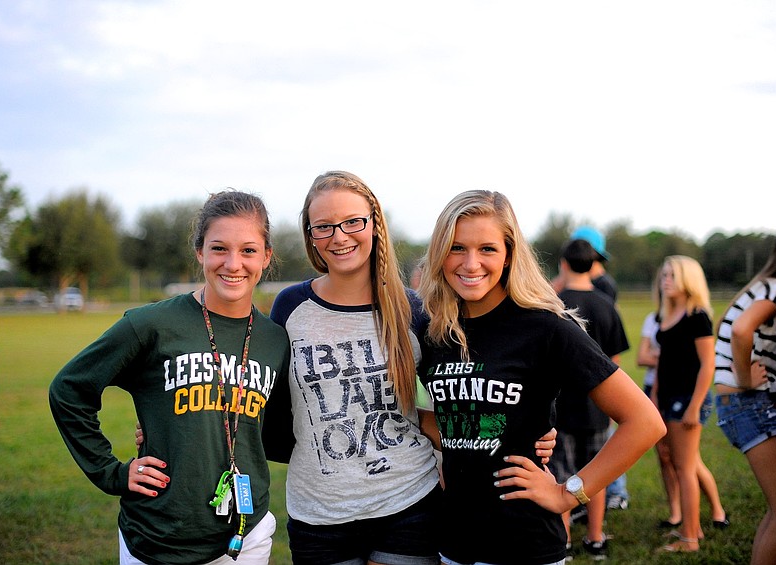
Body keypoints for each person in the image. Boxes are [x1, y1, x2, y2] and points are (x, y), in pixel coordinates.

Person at [262, 172, 556, 565]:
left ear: (374, 223)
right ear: (310, 234)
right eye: (324, 226)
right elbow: (257, 392)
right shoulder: (289, 307)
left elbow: (466, 391)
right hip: (319, 512)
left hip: (409, 504)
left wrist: (527, 433)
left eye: (353, 222)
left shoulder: (416, 310)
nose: (340, 236)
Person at [415, 190, 664, 565]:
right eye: (456, 248)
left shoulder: (546, 326)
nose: (470, 263)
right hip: (454, 541)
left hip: (524, 543)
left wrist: (568, 493)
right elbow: (457, 426)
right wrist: (414, 418)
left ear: (509, 254)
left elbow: (644, 422)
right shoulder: (435, 331)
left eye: (487, 249)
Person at [49, 190, 291, 564]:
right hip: (158, 536)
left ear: (266, 256)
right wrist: (111, 471)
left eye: (247, 250)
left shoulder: (274, 339)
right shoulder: (151, 324)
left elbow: (269, 427)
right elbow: (69, 390)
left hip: (247, 531)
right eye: (218, 249)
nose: (233, 264)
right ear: (200, 252)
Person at [713, 226, 776, 565]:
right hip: (751, 403)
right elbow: (742, 329)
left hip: (738, 404)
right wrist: (746, 378)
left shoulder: (761, 286)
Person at [551, 238, 630, 560]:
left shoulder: (553, 303)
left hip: (558, 408)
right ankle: (595, 538)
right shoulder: (606, 304)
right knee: (595, 475)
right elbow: (615, 364)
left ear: (564, 264)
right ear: (595, 265)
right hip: (598, 407)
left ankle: (565, 541)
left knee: (559, 476)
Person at [639, 276, 727, 531]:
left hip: (686, 398)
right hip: (665, 397)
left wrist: (694, 406)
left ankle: (691, 534)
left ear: (689, 280)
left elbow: (708, 365)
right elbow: (662, 363)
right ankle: (687, 523)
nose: (665, 280)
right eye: (664, 275)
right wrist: (654, 396)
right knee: (678, 461)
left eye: (673, 275)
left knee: (686, 465)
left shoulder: (698, 316)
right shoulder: (666, 315)